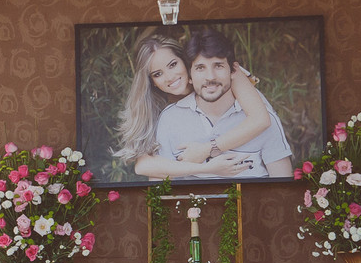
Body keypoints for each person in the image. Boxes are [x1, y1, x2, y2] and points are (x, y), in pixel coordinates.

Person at [114, 33, 272, 179]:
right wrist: (205, 169)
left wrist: (206, 150)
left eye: (173, 64)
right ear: (151, 82)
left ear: (185, 60)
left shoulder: (220, 76)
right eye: (158, 74)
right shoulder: (160, 107)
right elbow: (143, 166)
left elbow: (261, 120)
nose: (169, 77)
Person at [154, 28, 293, 180]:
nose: (210, 77)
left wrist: (208, 150)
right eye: (200, 68)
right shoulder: (170, 119)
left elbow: (282, 187)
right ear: (190, 76)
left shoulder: (264, 118)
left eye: (218, 66)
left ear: (233, 70)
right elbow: (159, 187)